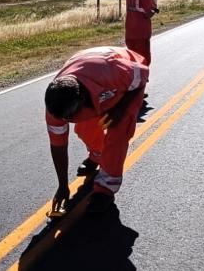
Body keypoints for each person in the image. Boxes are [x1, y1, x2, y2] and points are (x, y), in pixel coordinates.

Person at [45, 46, 149, 214]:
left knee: (117, 130)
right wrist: (62, 185)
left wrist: (119, 108)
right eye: (64, 119)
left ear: (83, 100)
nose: (66, 122)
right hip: (88, 77)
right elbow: (58, 146)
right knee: (85, 128)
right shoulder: (56, 108)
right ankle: (97, 156)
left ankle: (106, 189)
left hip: (125, 84)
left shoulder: (111, 70)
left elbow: (142, 76)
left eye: (70, 117)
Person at [125, 0, 158, 67]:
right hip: (142, 34)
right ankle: (142, 81)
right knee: (143, 60)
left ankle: (133, 81)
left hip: (130, 34)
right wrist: (154, 10)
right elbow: (148, 14)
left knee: (133, 60)